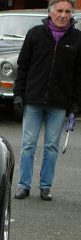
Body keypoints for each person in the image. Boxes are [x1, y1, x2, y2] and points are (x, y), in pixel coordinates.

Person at [13, 0, 81, 201]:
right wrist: (18, 93)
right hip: (33, 99)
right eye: (59, 10)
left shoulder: (77, 39)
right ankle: (23, 185)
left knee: (51, 146)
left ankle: (45, 186)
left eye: (67, 11)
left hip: (59, 103)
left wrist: (76, 103)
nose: (63, 15)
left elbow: (79, 75)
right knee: (28, 144)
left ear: (72, 14)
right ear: (50, 12)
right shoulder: (35, 34)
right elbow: (22, 65)